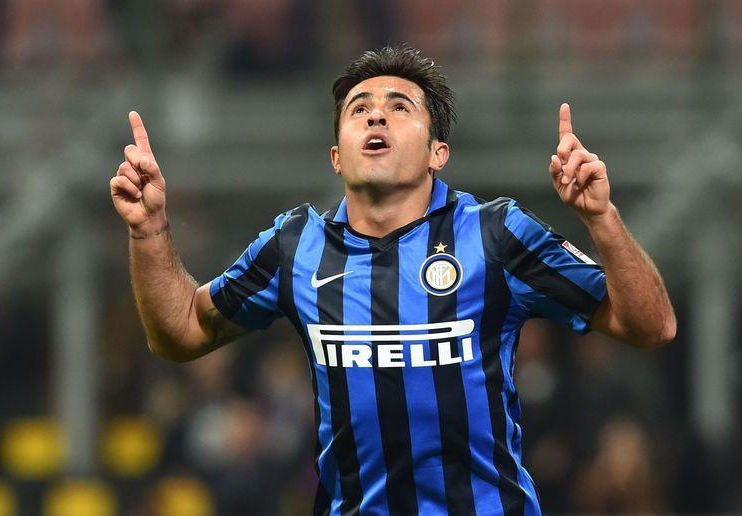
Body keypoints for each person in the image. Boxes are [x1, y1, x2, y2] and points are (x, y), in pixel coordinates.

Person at [109, 45, 676, 515]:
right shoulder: (294, 246)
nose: (376, 116)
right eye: (359, 108)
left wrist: (600, 217)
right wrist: (149, 231)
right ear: (337, 156)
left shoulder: (497, 235)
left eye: (400, 106)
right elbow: (179, 333)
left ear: (438, 152)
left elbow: (651, 326)